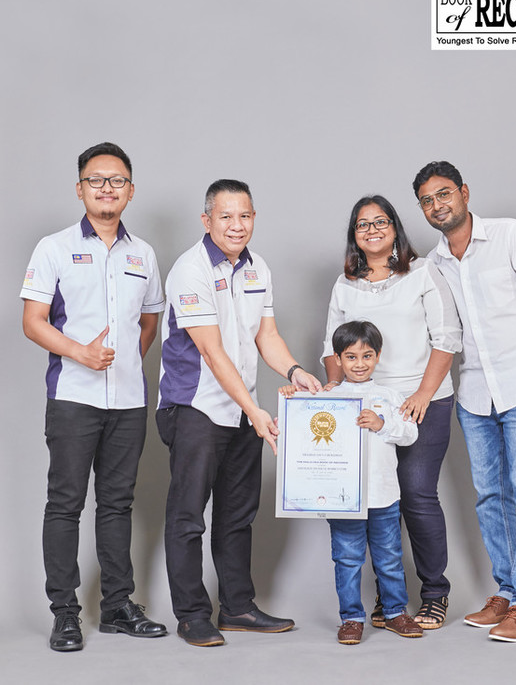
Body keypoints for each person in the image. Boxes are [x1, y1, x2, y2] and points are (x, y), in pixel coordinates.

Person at [413, 160, 516, 643]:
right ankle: (506, 591)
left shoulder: (512, 236)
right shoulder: (434, 262)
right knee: (490, 495)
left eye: (444, 194)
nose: (437, 205)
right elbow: (444, 332)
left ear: (464, 192)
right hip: (475, 392)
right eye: (427, 200)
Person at [156, 179, 322, 647]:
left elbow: (265, 336)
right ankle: (191, 615)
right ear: (207, 221)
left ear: (254, 219)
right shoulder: (190, 270)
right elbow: (210, 350)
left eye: (245, 216)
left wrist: (295, 369)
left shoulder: (257, 268)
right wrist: (254, 410)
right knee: (188, 517)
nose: (236, 225)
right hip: (194, 409)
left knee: (236, 515)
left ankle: (238, 607)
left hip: (242, 410)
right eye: (226, 216)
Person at [20, 142, 167, 652]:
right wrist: (80, 354)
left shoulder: (143, 254)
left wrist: (126, 359)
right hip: (73, 397)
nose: (108, 188)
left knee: (117, 504)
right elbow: (32, 322)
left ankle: (117, 607)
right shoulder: (54, 248)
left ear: (131, 190)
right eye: (97, 180)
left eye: (117, 180)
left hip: (127, 401)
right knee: (65, 504)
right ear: (80, 188)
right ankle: (65, 613)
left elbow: (150, 322)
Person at [322, 196, 462, 630]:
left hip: (423, 399)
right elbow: (331, 348)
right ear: (354, 236)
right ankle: (389, 598)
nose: (372, 229)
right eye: (362, 225)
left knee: (416, 495)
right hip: (364, 404)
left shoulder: (422, 273)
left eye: (380, 221)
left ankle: (434, 593)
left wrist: (422, 393)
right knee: (373, 495)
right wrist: (335, 391)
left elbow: (447, 337)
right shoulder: (346, 283)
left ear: (395, 228)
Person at [282, 320, 422, 644]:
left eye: (367, 356)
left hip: (384, 497)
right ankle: (351, 618)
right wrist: (293, 398)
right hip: (343, 499)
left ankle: (395, 613)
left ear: (378, 357)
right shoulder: (330, 395)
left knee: (389, 558)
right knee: (347, 559)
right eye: (351, 357)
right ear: (337, 359)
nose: (359, 364)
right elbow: (301, 424)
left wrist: (382, 423)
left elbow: (410, 433)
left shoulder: (389, 396)